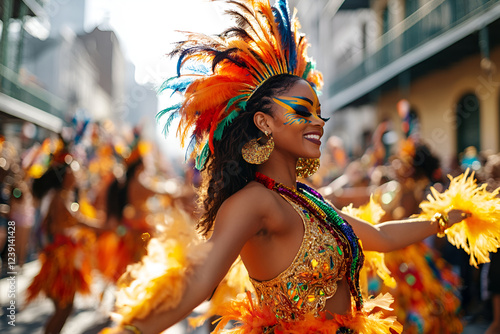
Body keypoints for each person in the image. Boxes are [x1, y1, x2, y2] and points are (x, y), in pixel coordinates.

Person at [104, 1, 477, 333]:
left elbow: (380, 236)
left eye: (318, 112)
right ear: (264, 123)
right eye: (302, 111)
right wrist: (133, 330)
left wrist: (448, 216)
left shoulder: (306, 199)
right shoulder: (254, 203)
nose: (318, 121)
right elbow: (199, 281)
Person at [26, 148, 102, 334]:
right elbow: (78, 221)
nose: (78, 174)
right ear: (67, 175)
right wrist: (104, 227)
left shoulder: (65, 195)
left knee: (64, 309)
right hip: (60, 264)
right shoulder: (60, 198)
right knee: (64, 309)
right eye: (74, 171)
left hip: (61, 261)